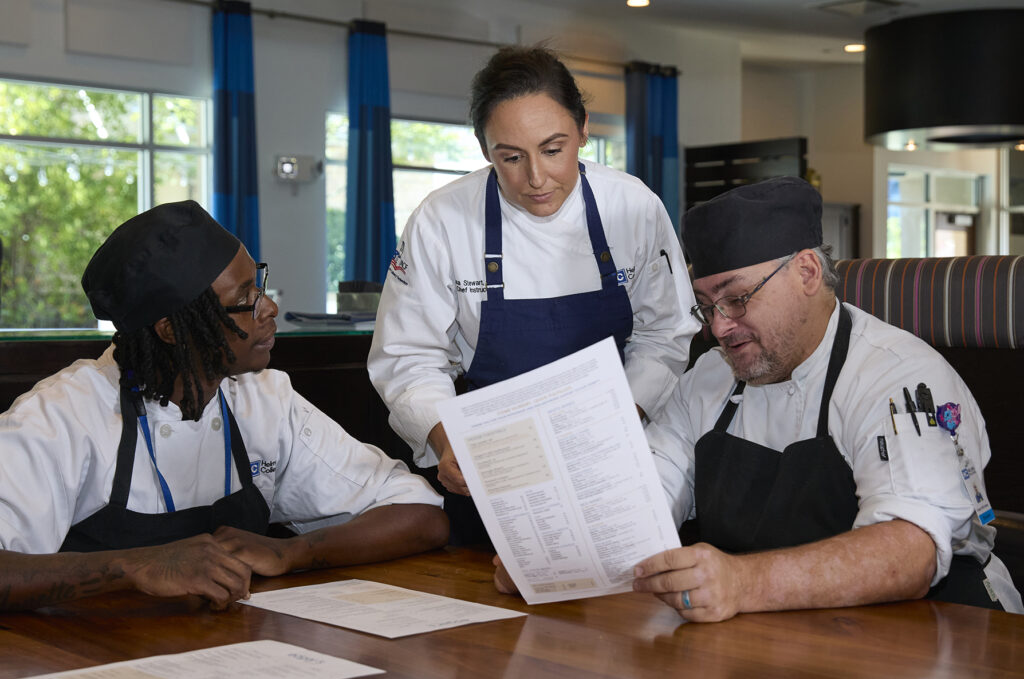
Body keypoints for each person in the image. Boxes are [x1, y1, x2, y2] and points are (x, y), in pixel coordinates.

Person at [0, 200, 448, 612]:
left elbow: (422, 515)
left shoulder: (264, 398)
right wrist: (132, 566)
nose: (269, 307)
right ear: (171, 331)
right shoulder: (59, 417)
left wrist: (292, 552)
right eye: (244, 301)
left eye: (260, 285)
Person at [625, 176, 1022, 621]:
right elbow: (649, 491)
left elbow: (909, 553)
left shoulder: (898, 378)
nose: (718, 328)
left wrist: (742, 583)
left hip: (938, 628)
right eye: (707, 306)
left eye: (737, 299)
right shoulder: (709, 378)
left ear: (808, 273)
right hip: (775, 634)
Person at [368, 45, 699, 547]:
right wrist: (444, 438)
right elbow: (408, 355)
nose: (536, 179)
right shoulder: (443, 220)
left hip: (609, 450)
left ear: (584, 129)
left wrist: (620, 420)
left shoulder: (633, 207)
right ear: (484, 150)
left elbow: (665, 333)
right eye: (511, 157)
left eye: (553, 149)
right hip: (494, 464)